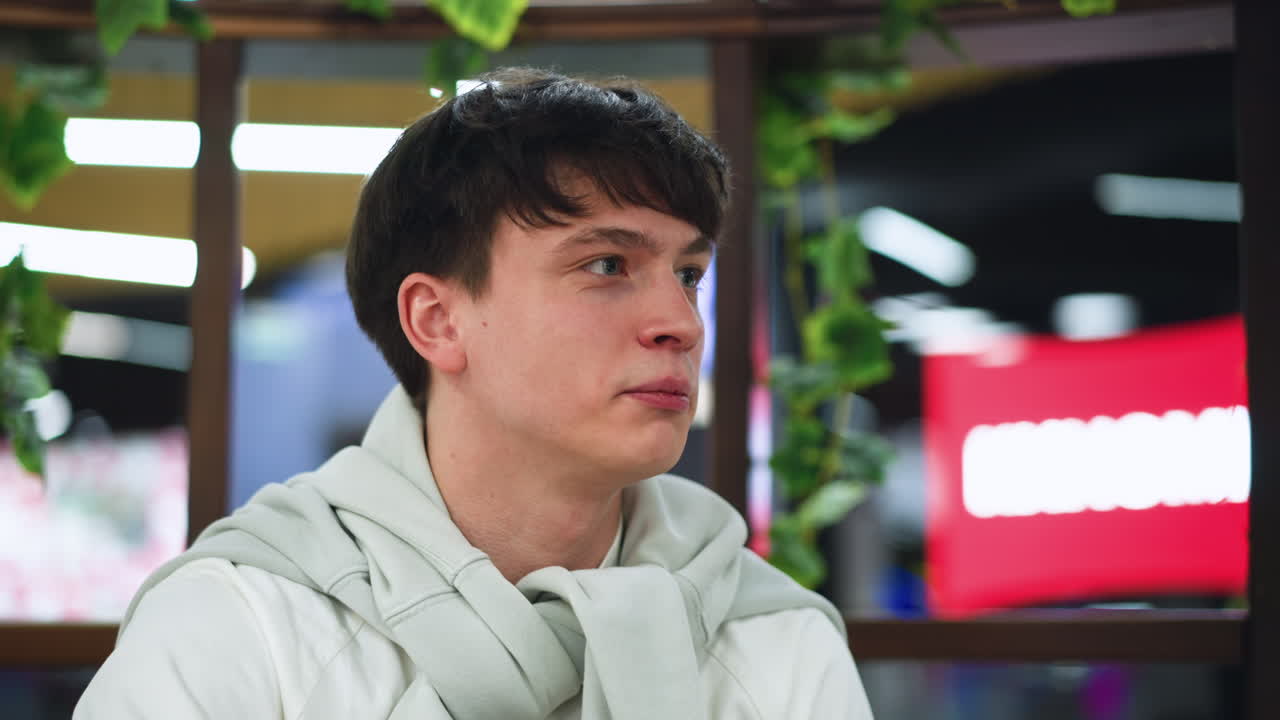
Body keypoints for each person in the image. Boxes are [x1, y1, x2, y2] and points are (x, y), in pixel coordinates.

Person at [74, 67, 874, 720]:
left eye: (689, 274)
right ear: (437, 320)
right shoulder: (239, 626)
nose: (682, 323)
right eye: (606, 265)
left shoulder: (774, 640)